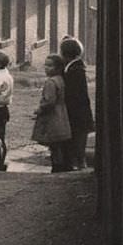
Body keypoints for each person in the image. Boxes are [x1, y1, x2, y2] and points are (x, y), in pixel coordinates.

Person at [31, 54, 72, 173]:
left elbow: (49, 100)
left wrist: (39, 109)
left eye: (50, 66)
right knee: (59, 143)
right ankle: (62, 165)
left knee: (54, 144)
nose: (46, 68)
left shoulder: (51, 82)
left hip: (53, 116)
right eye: (46, 65)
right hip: (62, 113)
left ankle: (57, 167)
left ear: (58, 68)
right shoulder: (60, 79)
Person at [60, 36, 95, 169]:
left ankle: (78, 163)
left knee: (77, 139)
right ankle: (78, 162)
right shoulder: (74, 67)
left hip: (77, 112)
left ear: (65, 53)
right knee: (78, 138)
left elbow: (73, 94)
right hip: (79, 111)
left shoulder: (75, 70)